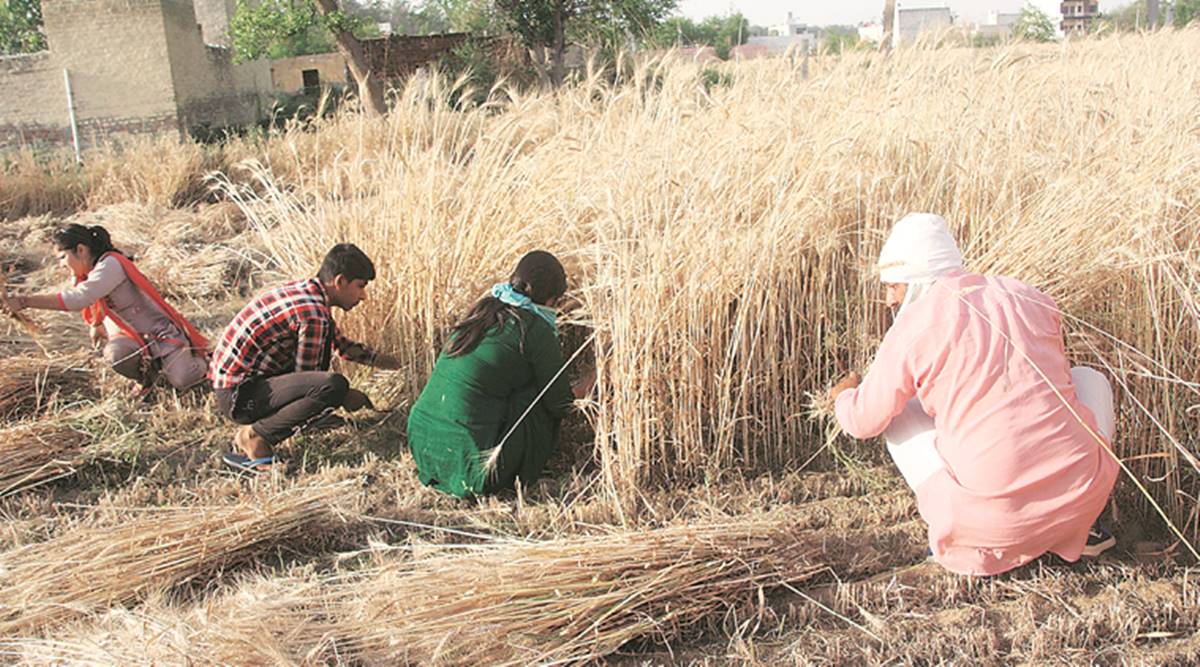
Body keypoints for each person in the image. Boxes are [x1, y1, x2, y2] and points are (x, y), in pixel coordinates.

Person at [830, 213, 1119, 576]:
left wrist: (845, 395)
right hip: (1081, 498)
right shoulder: (1030, 296)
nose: (889, 299)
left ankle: (968, 536)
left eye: (894, 286)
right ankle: (1082, 527)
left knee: (898, 415)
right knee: (1089, 379)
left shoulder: (913, 324)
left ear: (917, 280)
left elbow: (862, 422)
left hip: (995, 527)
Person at [407, 250, 594, 498]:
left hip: (423, 446)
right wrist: (597, 374)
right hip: (473, 470)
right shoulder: (534, 329)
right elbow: (561, 403)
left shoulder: (483, 310)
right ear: (550, 299)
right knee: (534, 398)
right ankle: (522, 469)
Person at [208, 243, 401, 473]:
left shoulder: (308, 293)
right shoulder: (313, 315)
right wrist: (344, 396)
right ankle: (255, 437)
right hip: (240, 396)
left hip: (236, 386)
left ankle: (309, 420)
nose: (363, 296)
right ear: (339, 282)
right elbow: (310, 380)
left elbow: (342, 346)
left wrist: (394, 363)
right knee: (333, 385)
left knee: (329, 388)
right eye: (360, 287)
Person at [3, 224, 208, 395]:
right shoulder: (90, 272)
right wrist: (97, 324)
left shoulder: (110, 265)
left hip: (161, 333)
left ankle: (205, 361)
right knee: (115, 354)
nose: (61, 265)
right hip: (133, 337)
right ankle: (149, 378)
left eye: (62, 258)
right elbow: (91, 301)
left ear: (81, 250)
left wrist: (24, 301)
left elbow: (79, 298)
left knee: (183, 380)